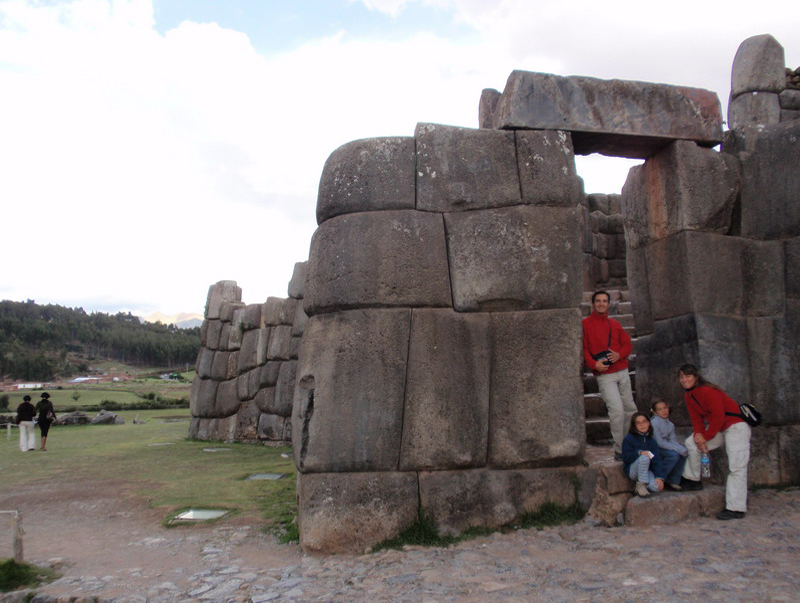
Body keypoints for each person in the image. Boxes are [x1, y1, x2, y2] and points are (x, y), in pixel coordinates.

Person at [677, 363, 751, 520]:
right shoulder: (689, 395)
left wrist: (706, 436)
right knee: (692, 443)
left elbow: (719, 417)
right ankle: (692, 479)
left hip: (735, 427)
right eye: (681, 377)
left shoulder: (708, 391)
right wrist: (699, 436)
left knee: (737, 467)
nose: (684, 380)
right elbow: (696, 419)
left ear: (696, 377)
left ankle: (735, 507)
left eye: (687, 376)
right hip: (719, 429)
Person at [582, 290, 636, 460]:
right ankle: (620, 449)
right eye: (598, 301)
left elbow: (627, 344)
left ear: (608, 304)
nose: (601, 303)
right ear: (593, 304)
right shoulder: (585, 324)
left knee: (630, 409)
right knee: (617, 411)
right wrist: (594, 364)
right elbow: (583, 349)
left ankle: (629, 443)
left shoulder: (615, 324)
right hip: (605, 374)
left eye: (604, 301)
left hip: (622, 370)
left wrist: (619, 355)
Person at [622, 412, 665, 497]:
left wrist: (659, 477)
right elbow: (626, 457)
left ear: (649, 423)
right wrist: (639, 453)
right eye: (638, 423)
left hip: (646, 470)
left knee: (656, 487)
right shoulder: (629, 439)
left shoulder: (652, 442)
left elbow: (656, 460)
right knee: (645, 457)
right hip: (633, 469)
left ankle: (645, 484)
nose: (642, 425)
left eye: (644, 421)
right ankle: (641, 485)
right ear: (634, 426)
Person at [650, 399, 687, 491]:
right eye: (660, 409)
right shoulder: (654, 423)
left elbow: (672, 440)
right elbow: (659, 442)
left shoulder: (670, 425)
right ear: (655, 412)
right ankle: (660, 478)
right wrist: (676, 449)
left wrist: (680, 448)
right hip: (654, 448)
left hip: (665, 447)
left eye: (665, 408)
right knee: (673, 455)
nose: (664, 411)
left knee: (683, 453)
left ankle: (673, 480)